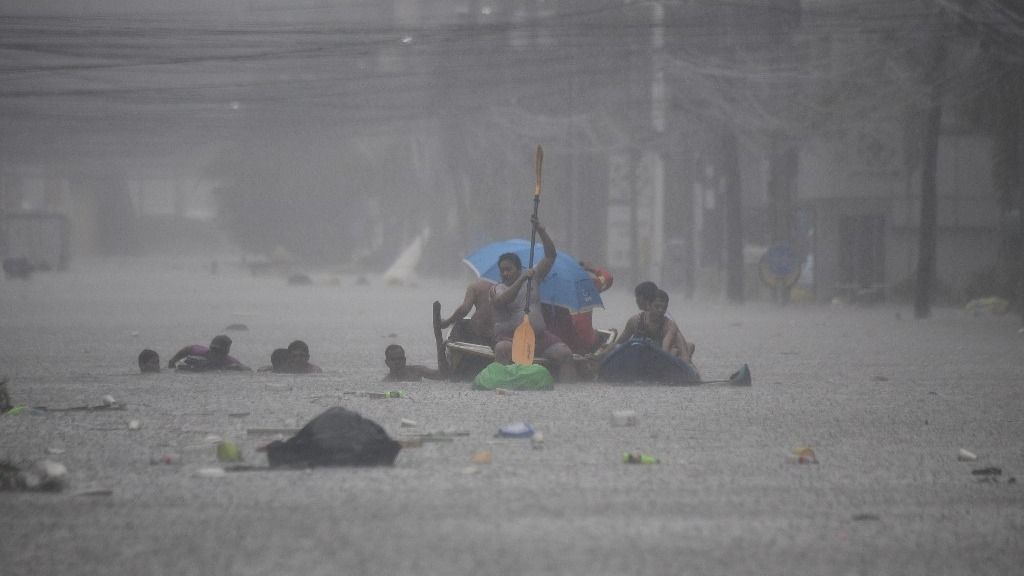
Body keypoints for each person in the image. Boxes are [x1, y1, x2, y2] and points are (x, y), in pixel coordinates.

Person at [491, 214, 574, 381]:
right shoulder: (497, 289)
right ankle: (504, 385)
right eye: (502, 270)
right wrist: (522, 279)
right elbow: (502, 301)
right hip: (510, 338)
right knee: (501, 349)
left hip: (539, 337)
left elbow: (550, 256)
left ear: (519, 268)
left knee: (565, 353)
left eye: (509, 269)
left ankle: (568, 392)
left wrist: (541, 232)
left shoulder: (533, 277)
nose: (505, 273)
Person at [544, 261, 614, 355]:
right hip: (586, 342)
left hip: (559, 343)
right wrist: (591, 268)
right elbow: (608, 278)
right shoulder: (590, 285)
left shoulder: (549, 291)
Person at [617, 289, 694, 364]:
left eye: (664, 308)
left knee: (679, 350)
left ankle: (685, 348)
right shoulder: (635, 321)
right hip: (639, 355)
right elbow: (619, 343)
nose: (661, 310)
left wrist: (684, 361)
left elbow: (665, 351)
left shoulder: (670, 326)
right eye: (657, 307)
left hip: (661, 355)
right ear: (648, 305)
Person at [633, 281, 695, 362]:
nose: (636, 301)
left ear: (647, 300)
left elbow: (674, 340)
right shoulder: (637, 319)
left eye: (638, 297)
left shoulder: (667, 321)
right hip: (653, 348)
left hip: (669, 349)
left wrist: (685, 355)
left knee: (677, 350)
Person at [438, 278, 496, 346]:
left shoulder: (476, 286)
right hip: (499, 336)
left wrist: (447, 322)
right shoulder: (507, 290)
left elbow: (464, 310)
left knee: (460, 324)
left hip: (478, 332)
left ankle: (453, 346)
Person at [167, 334, 250, 371]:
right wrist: (173, 361)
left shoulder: (230, 362)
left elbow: (245, 368)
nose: (215, 353)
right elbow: (188, 349)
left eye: (218, 351)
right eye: (214, 350)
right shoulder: (201, 351)